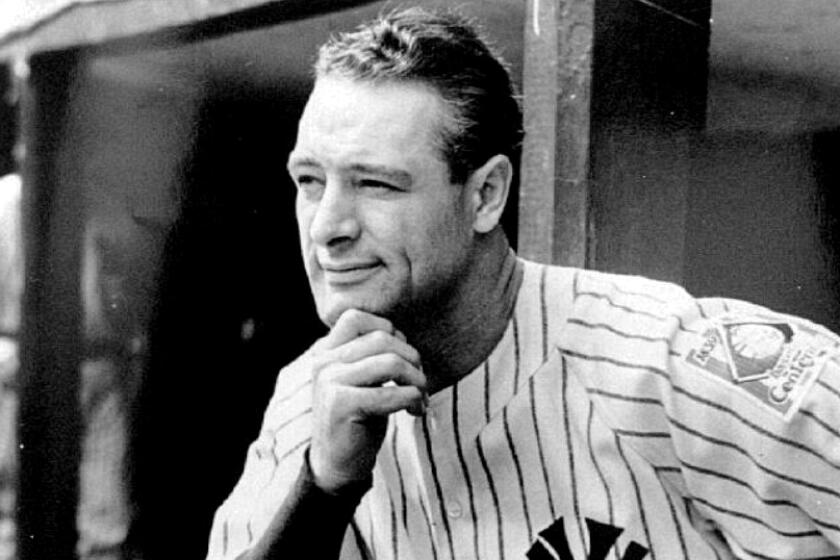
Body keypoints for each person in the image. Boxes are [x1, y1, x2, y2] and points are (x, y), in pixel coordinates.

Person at [206, 7, 840, 560]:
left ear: (486, 195)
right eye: (310, 182)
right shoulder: (307, 403)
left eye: (376, 183)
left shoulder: (658, 359)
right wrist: (322, 489)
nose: (327, 227)